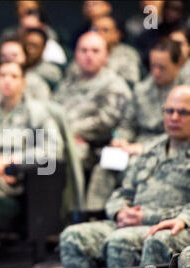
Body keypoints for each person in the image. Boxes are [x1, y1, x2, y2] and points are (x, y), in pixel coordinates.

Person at [60, 85, 190, 268]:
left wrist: (147, 217)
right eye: (169, 111)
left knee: (123, 240)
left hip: (170, 225)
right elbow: (124, 191)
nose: (174, 117)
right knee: (73, 237)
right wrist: (120, 212)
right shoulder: (150, 148)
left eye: (183, 112)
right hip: (131, 221)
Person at [0, 61, 64, 268]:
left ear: (23, 82)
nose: (7, 81)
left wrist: (15, 163)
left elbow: (53, 149)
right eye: (2, 75)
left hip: (22, 178)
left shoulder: (37, 111)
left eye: (13, 76)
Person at [87, 37, 186, 210]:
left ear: (178, 65)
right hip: (135, 146)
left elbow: (181, 131)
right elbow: (127, 124)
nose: (155, 72)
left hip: (171, 147)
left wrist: (143, 147)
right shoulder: (141, 90)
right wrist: (121, 140)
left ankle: (134, 214)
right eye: (152, 66)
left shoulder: (186, 94)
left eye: (162, 67)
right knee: (103, 168)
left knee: (134, 167)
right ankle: (93, 215)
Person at [53, 31, 132, 176]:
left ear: (106, 56)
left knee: (59, 156)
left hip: (92, 147)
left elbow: (105, 123)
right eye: (84, 50)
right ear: (76, 54)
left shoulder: (114, 85)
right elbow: (53, 109)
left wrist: (69, 132)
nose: (89, 55)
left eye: (95, 51)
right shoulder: (69, 82)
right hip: (59, 138)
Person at [0, 36, 51, 106]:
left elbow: (43, 110)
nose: (9, 60)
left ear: (25, 57)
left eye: (14, 55)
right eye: (4, 56)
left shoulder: (37, 83)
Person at [92, 15, 141, 84]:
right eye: (94, 30)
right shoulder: (85, 51)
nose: (98, 33)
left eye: (105, 30)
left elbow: (131, 83)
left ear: (116, 35)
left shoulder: (127, 54)